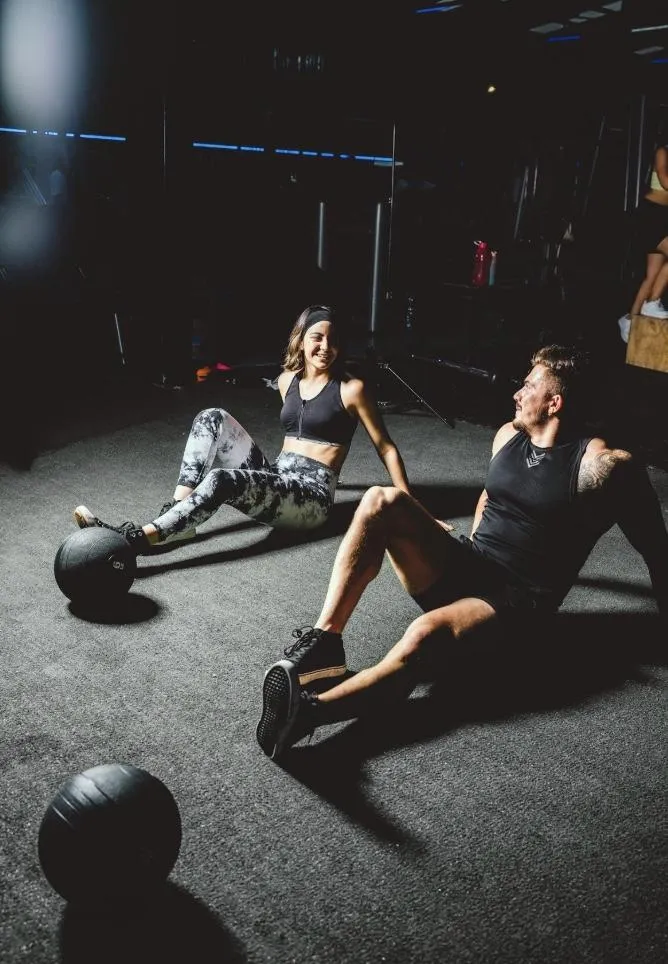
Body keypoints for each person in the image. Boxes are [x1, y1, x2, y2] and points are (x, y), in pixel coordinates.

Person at [256, 344, 668, 761]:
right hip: (473, 564)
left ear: (554, 403)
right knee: (381, 499)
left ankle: (309, 712)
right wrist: (461, 554)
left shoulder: (605, 468)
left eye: (528, 386)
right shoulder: (508, 436)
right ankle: (326, 640)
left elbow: (656, 548)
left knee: (423, 635)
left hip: (515, 604)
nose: (517, 394)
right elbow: (490, 498)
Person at [72, 305, 410, 552]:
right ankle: (177, 515)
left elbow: (386, 447)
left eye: (333, 340)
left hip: (311, 498)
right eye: (317, 337)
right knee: (211, 417)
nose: (325, 347)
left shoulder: (352, 389)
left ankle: (133, 539)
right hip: (278, 476)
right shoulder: (287, 381)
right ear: (301, 341)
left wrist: (411, 508)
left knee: (221, 480)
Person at [618, 140, 668, 342]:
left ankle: (630, 320)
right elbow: (665, 180)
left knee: (652, 275)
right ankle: (652, 303)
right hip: (652, 215)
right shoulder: (662, 151)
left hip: (662, 216)